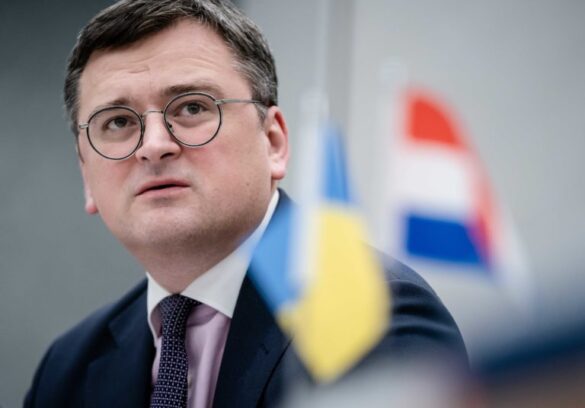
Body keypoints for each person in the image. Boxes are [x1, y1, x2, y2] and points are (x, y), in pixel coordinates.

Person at [25, 0, 467, 407]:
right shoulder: (68, 371)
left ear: (273, 142)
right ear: (87, 176)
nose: (154, 146)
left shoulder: (371, 317)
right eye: (118, 122)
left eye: (192, 107)